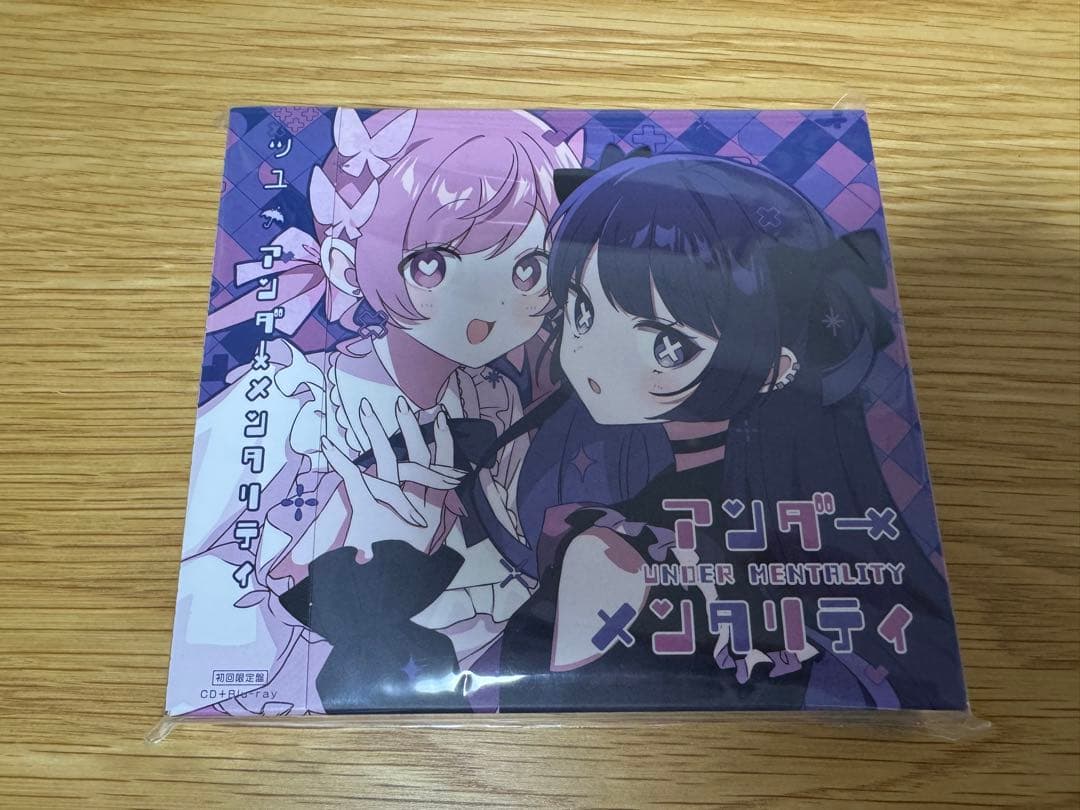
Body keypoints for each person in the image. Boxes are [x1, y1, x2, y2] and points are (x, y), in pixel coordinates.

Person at [494, 152, 967, 712]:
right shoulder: (624, 506)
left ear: (776, 368)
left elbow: (543, 700)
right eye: (581, 310)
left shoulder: (622, 548)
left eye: (668, 345)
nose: (590, 359)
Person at [167, 108, 581, 716]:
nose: (488, 305)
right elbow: (185, 579)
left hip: (459, 690)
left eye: (528, 269)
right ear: (346, 263)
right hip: (292, 694)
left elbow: (508, 571)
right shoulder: (294, 395)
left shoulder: (495, 401)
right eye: (433, 264)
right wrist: (311, 579)